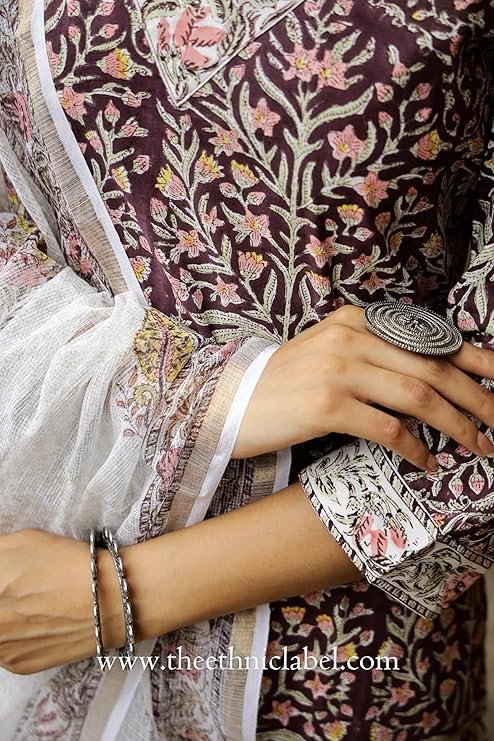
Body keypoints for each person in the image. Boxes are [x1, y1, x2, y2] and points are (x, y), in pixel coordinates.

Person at [0, 0, 493, 738]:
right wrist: (217, 393)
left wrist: (117, 596)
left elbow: (482, 416)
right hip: (41, 555)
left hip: (338, 659)